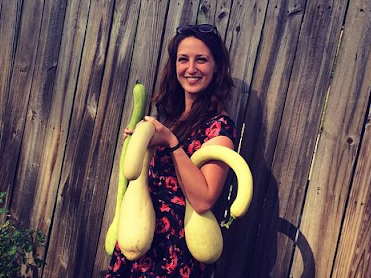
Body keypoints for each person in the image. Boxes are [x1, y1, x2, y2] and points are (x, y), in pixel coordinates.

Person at [106, 24, 236, 277]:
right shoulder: (171, 117)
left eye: (202, 60)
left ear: (217, 67)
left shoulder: (219, 129)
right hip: (139, 236)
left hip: (173, 254)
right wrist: (140, 146)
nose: (191, 68)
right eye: (183, 59)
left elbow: (203, 199)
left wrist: (171, 143)